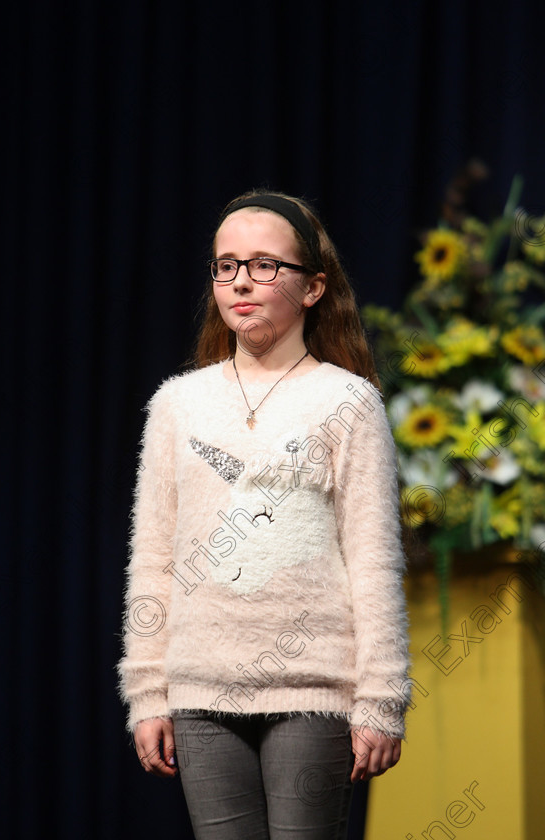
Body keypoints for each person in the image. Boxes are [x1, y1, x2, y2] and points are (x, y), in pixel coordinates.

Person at [117, 189, 411, 840]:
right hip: (201, 690)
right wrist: (146, 692)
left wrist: (381, 699)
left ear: (313, 287)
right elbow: (154, 557)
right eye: (226, 265)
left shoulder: (349, 403)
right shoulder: (178, 404)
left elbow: (373, 558)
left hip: (312, 689)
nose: (241, 281)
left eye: (264, 265)